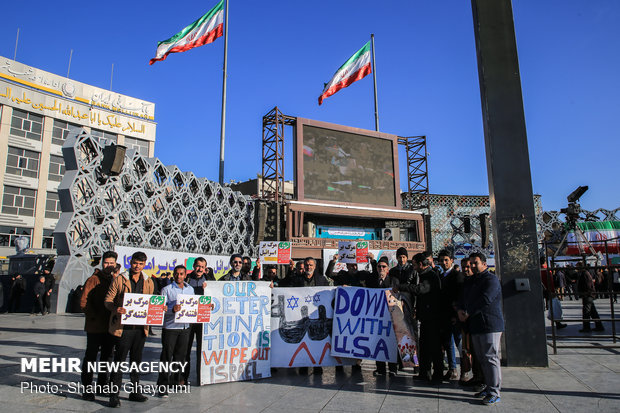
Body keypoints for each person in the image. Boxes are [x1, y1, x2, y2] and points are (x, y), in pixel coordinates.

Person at [104, 251, 155, 408]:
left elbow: (151, 302)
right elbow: (108, 300)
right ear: (130, 262)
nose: (137, 266)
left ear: (144, 265)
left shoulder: (148, 281)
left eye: (140, 264)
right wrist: (116, 308)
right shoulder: (120, 279)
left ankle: (134, 391)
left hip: (140, 328)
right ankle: (114, 395)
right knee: (119, 361)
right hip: (123, 328)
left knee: (136, 361)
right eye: (135, 263)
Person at [457, 252, 504, 406]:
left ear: (484, 263)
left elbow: (486, 299)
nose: (471, 266)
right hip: (476, 325)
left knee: (491, 358)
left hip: (489, 324)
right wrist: (460, 310)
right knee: (482, 358)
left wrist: (468, 311)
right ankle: (487, 385)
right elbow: (464, 298)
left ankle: (494, 392)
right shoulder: (471, 281)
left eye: (475, 263)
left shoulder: (491, 279)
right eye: (470, 263)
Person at [394, 253, 443, 383]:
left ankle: (438, 375)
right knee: (424, 346)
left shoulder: (430, 276)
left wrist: (401, 287)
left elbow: (420, 290)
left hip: (433, 317)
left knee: (434, 347)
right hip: (425, 317)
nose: (413, 267)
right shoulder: (423, 275)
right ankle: (424, 372)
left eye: (414, 265)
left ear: (420, 264)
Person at [79, 251, 119, 401]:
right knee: (90, 357)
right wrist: (93, 317)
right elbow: (84, 302)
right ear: (102, 263)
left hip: (110, 327)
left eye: (111, 263)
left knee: (107, 358)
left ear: (116, 264)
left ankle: (102, 385)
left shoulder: (115, 280)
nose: (109, 266)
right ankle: (87, 388)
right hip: (95, 327)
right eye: (106, 263)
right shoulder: (93, 279)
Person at [157, 265, 194, 397]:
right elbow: (161, 309)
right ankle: (162, 385)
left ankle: (175, 381)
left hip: (185, 328)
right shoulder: (166, 289)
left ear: (185, 275)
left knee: (180, 357)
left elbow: (193, 306)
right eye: (177, 274)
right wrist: (173, 308)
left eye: (181, 274)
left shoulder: (190, 289)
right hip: (170, 327)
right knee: (167, 356)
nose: (179, 276)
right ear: (173, 275)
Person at [367, 257, 398, 376]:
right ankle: (380, 368)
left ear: (388, 269)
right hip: (376, 317)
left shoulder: (393, 280)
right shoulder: (372, 280)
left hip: (390, 317)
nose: (381, 269)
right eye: (379, 267)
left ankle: (393, 369)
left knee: (390, 343)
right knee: (377, 343)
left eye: (384, 267)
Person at [184, 257, 212, 385]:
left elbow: (215, 297)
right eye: (198, 266)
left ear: (205, 268)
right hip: (188, 320)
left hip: (202, 320)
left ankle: (202, 377)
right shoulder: (186, 280)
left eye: (202, 267)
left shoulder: (209, 281)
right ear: (194, 266)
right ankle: (183, 378)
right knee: (185, 350)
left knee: (202, 350)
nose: (199, 269)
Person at [438, 249, 464, 381]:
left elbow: (458, 296)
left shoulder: (456, 275)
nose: (444, 262)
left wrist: (456, 314)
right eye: (442, 260)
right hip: (445, 316)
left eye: (446, 260)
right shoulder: (442, 275)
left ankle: (465, 370)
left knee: (460, 343)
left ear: (452, 261)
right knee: (448, 343)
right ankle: (452, 368)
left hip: (455, 316)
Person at [577, 263, 604, 333]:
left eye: (577, 266)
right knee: (593, 311)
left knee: (586, 312)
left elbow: (588, 285)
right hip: (589, 295)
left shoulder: (585, 274)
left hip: (587, 295)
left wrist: (586, 293)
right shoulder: (585, 273)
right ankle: (599, 326)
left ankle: (586, 327)